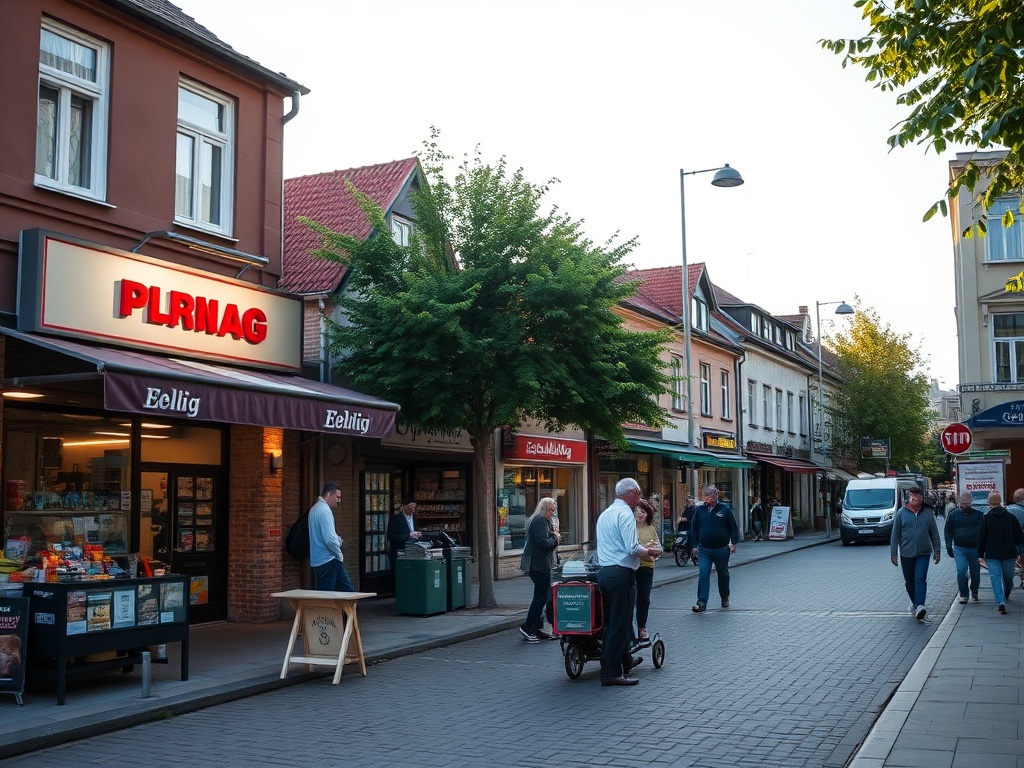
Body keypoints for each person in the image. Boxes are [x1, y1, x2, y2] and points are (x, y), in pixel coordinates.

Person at [595, 478, 659, 686]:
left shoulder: (606, 513)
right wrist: (649, 552)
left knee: (613, 621)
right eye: (638, 494)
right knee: (619, 624)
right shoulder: (624, 514)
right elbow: (632, 547)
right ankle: (611, 673)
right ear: (629, 493)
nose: (640, 498)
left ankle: (626, 660)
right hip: (621, 573)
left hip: (605, 572)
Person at [890, 485, 941, 620]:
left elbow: (934, 533)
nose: (914, 500)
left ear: (921, 499)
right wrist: (893, 553)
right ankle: (915, 602)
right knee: (909, 581)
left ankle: (921, 606)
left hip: (924, 552)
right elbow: (895, 535)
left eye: (917, 497)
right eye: (912, 497)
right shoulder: (901, 513)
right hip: (906, 553)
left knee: (920, 578)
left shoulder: (927, 514)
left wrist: (937, 550)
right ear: (909, 498)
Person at [689, 485, 740, 612]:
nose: (708, 500)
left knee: (723, 573)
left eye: (711, 497)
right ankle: (701, 603)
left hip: (721, 549)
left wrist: (733, 543)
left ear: (716, 497)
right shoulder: (699, 510)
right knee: (704, 573)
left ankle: (724, 596)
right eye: (706, 497)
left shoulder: (725, 509)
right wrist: (694, 546)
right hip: (704, 549)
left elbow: (733, 527)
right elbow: (694, 529)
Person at [518, 497, 560, 643]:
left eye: (554, 510)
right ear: (544, 509)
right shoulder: (539, 521)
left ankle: (536, 627)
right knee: (541, 596)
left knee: (544, 595)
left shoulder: (543, 521)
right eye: (551, 510)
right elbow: (542, 543)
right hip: (539, 565)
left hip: (543, 564)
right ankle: (527, 627)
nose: (552, 513)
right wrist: (555, 539)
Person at [977, 491, 1024, 615]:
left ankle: (1001, 601)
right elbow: (1019, 536)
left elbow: (981, 537)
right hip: (1009, 554)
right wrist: (1020, 550)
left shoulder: (986, 518)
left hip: (992, 554)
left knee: (995, 578)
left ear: (990, 504)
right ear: (1000, 503)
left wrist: (980, 554)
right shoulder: (1010, 517)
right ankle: (1007, 591)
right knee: (1008, 577)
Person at [308, 482, 355, 592]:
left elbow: (323, 534)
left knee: (330, 594)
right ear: (329, 494)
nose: (339, 500)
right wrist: (339, 554)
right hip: (329, 559)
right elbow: (329, 539)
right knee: (345, 593)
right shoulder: (325, 511)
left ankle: (343, 609)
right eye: (337, 497)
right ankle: (347, 609)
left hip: (318, 560)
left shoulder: (314, 509)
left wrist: (336, 539)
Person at [944, 492, 982, 604]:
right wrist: (948, 546)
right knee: (961, 571)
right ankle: (964, 594)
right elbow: (948, 531)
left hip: (975, 548)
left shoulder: (978, 515)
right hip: (960, 548)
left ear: (971, 503)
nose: (965, 506)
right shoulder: (953, 515)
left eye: (967, 504)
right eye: (963, 504)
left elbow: (984, 532)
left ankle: (974, 590)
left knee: (975, 573)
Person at [633, 498, 661, 642]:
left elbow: (657, 547)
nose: (640, 515)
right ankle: (629, 629)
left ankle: (642, 628)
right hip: (631, 567)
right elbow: (631, 548)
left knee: (643, 599)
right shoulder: (629, 526)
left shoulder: (650, 528)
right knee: (630, 599)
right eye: (637, 511)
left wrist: (649, 549)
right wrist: (646, 547)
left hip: (646, 568)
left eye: (643, 512)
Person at [387, 498, 421, 573]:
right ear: (404, 507)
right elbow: (391, 536)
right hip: (399, 552)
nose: (413, 509)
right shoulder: (395, 519)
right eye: (410, 507)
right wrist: (408, 535)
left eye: (414, 507)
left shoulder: (414, 518)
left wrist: (417, 535)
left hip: (412, 551)